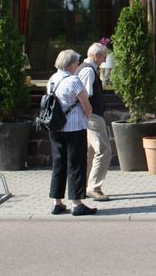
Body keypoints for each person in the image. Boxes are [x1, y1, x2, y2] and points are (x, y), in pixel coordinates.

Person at [47, 49, 97, 216]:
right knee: (76, 164)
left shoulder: (52, 79)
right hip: (74, 127)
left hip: (56, 127)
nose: (78, 64)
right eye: (76, 62)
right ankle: (77, 204)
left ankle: (57, 202)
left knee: (58, 164)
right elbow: (86, 105)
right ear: (70, 65)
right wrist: (88, 114)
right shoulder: (74, 80)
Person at [77, 42, 112, 202]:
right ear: (95, 55)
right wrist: (89, 114)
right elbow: (84, 95)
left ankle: (84, 186)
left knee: (91, 152)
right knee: (104, 150)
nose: (105, 60)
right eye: (104, 56)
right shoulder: (88, 70)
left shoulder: (86, 69)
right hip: (92, 116)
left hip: (90, 116)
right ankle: (93, 187)